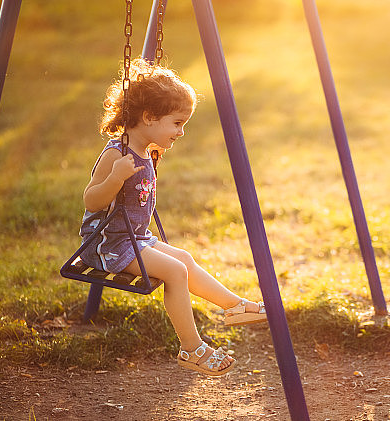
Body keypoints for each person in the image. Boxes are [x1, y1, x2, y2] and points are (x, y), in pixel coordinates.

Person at [78, 59, 266, 377]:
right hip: (107, 246)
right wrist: (115, 178)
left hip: (134, 238)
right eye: (177, 123)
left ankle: (233, 306)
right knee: (175, 272)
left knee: (184, 259)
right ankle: (191, 349)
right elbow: (91, 200)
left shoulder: (144, 149)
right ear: (149, 117)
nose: (182, 131)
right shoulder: (116, 154)